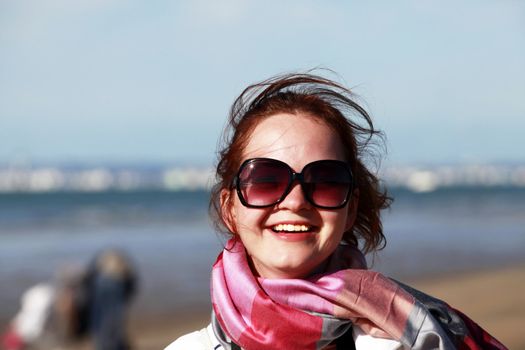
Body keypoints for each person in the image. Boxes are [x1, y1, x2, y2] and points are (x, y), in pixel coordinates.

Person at [165, 72, 506, 349]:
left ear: (351, 208)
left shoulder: (418, 336)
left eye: (324, 181)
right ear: (230, 208)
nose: (295, 201)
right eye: (266, 179)